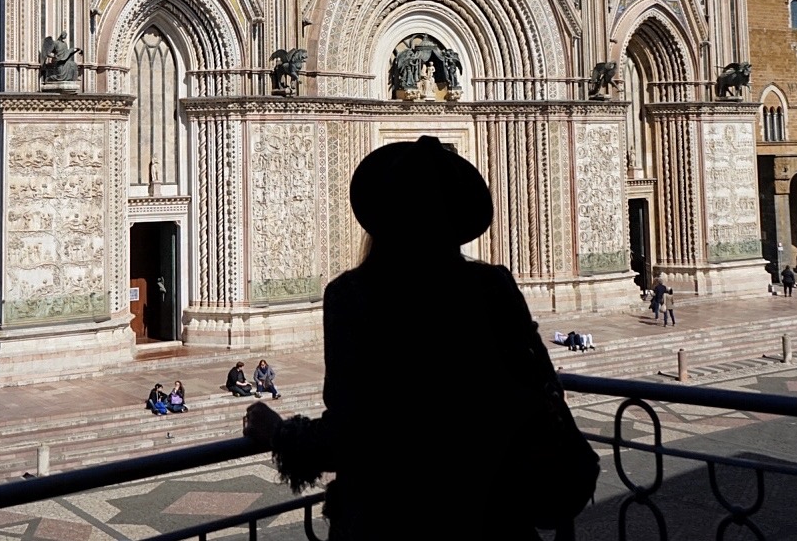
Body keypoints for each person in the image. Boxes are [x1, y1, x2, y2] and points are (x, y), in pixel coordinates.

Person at [242, 136, 587, 540]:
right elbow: (540, 390)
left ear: (381, 217)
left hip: (392, 520)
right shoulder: (493, 287)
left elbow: (355, 435)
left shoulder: (356, 296)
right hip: (495, 518)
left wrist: (280, 433)